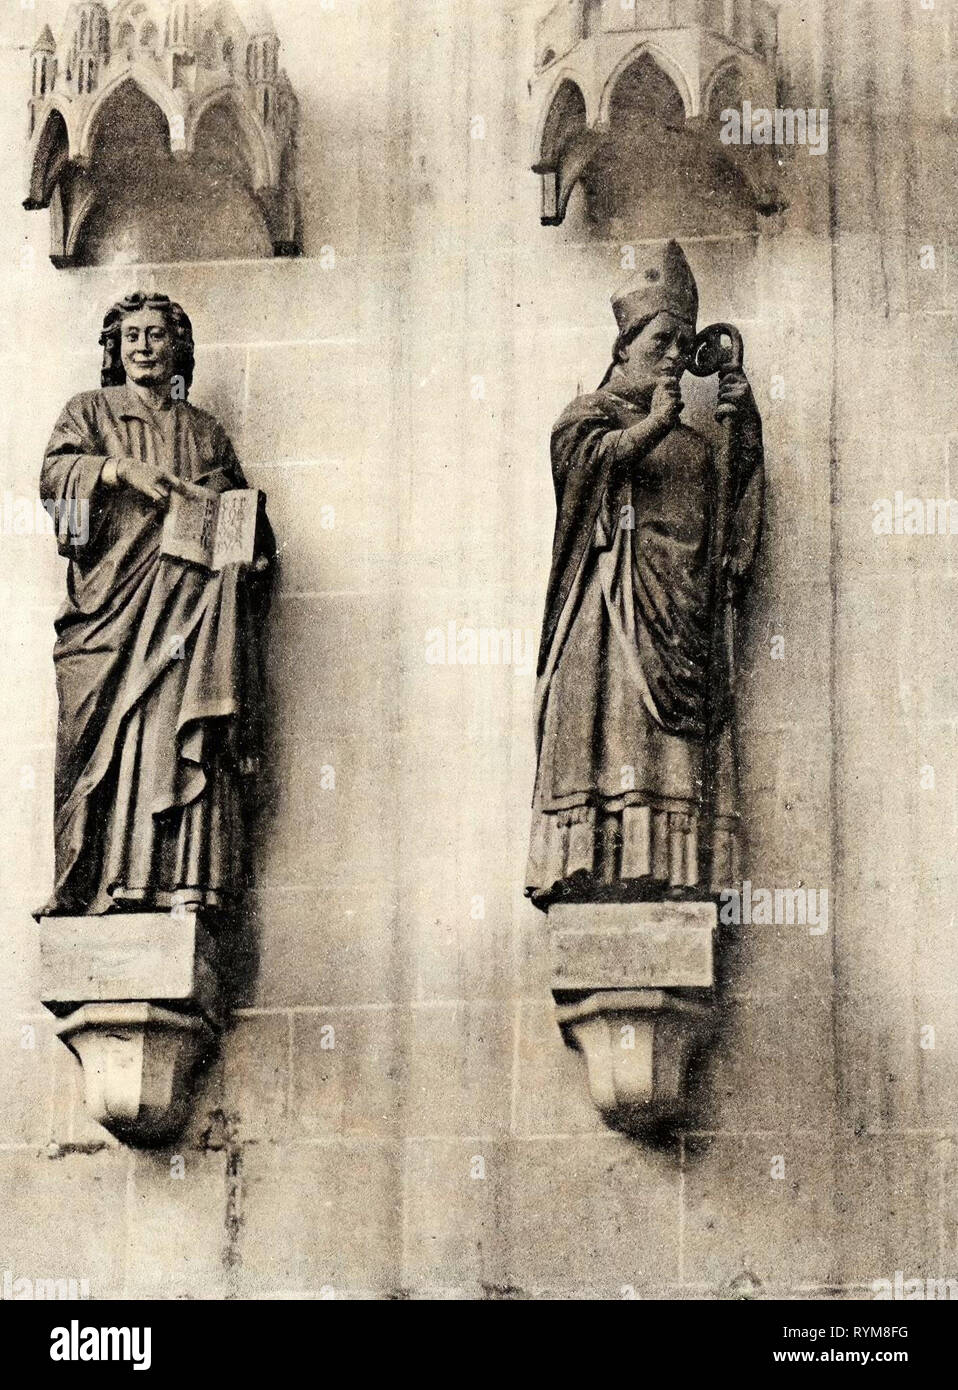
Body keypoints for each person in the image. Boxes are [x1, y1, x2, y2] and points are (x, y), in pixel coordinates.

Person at [526, 241, 764, 910]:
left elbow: (729, 535)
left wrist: (742, 427)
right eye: (661, 339)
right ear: (625, 344)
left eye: (683, 344)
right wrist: (655, 423)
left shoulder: (694, 444)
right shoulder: (589, 415)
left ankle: (668, 870)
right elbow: (581, 470)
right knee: (611, 741)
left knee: (667, 760)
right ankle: (598, 867)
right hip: (607, 621)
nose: (672, 357)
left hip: (677, 629)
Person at [37, 291, 274, 919]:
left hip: (186, 614)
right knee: (101, 739)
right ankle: (94, 882)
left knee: (166, 730)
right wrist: (117, 472)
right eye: (131, 336)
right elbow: (55, 479)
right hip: (112, 609)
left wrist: (249, 547)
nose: (144, 346)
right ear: (115, 350)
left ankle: (162, 879)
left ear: (178, 348)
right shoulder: (89, 411)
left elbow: (240, 514)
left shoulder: (203, 430)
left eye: (157, 335)